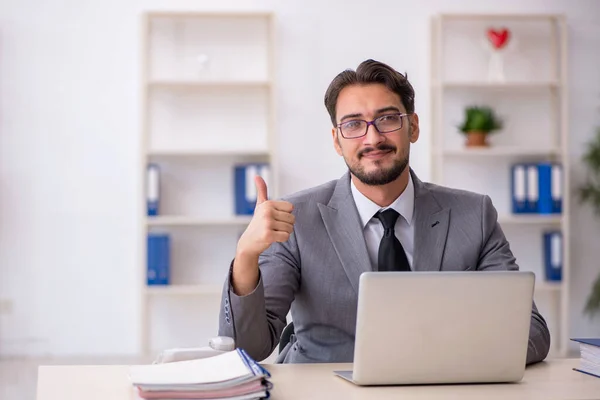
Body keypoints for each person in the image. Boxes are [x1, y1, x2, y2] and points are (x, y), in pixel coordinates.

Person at [218, 59, 551, 365]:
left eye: (388, 119)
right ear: (337, 140)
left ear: (413, 127)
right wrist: (246, 255)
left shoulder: (473, 214)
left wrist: (444, 360)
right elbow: (247, 348)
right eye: (353, 124)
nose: (372, 137)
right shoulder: (295, 218)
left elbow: (530, 332)